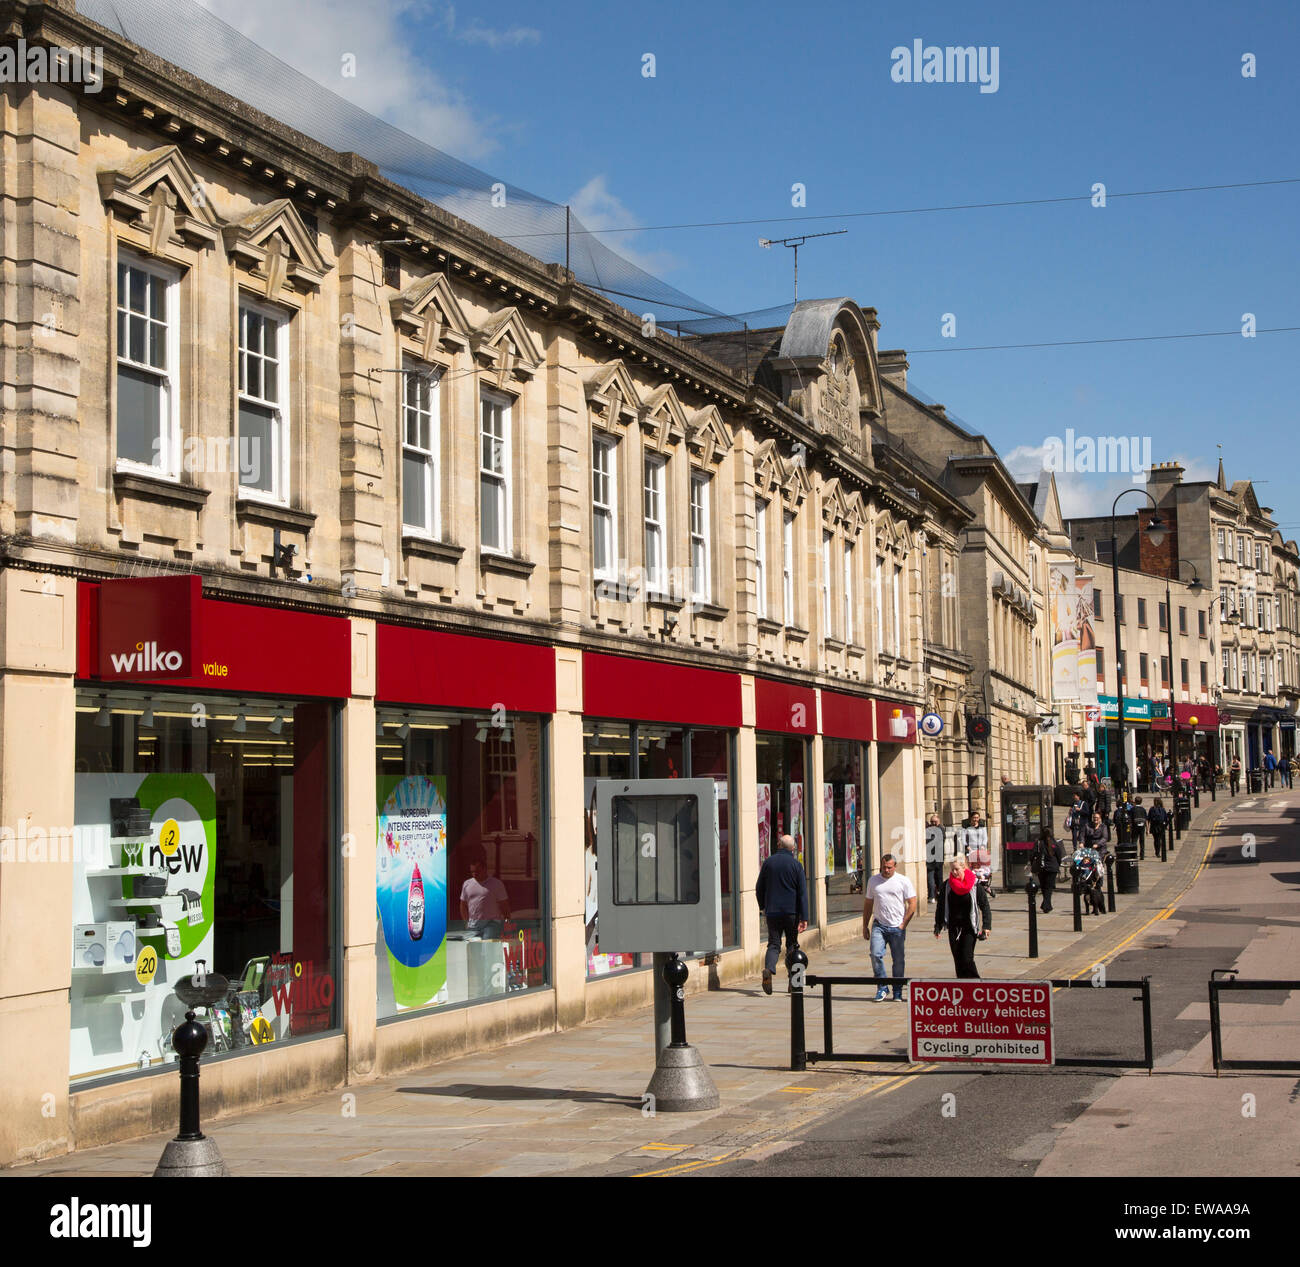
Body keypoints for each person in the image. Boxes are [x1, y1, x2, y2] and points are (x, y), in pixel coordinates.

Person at [756, 834, 808, 995]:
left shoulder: (768, 863)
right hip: (791, 912)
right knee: (792, 944)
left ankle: (768, 969)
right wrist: (804, 917)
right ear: (792, 848)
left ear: (779, 845)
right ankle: (794, 982)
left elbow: (759, 888)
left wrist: (763, 906)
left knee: (773, 944)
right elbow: (802, 893)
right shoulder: (796, 865)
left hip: (772, 911)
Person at [863, 853, 918, 1001]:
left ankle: (898, 991)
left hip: (897, 927)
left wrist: (903, 924)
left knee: (898, 960)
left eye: (889, 867)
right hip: (879, 925)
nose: (886, 870)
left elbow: (912, 903)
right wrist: (865, 925)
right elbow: (868, 904)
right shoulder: (873, 881)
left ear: (895, 867)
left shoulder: (903, 881)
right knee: (875, 954)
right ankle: (882, 987)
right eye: (883, 867)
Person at [933, 854, 992, 978]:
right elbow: (941, 906)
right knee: (958, 960)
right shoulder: (947, 886)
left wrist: (986, 926)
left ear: (964, 868)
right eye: (952, 869)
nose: (954, 872)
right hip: (954, 927)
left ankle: (976, 984)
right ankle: (962, 986)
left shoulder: (975, 886)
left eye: (957, 869)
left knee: (967, 958)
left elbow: (985, 906)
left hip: (969, 926)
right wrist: (938, 925)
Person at [459, 855, 511, 940]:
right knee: (473, 949)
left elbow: (504, 905)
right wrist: (466, 922)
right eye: (472, 872)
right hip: (473, 924)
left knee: (488, 947)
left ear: (485, 869)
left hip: (492, 924)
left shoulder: (496, 884)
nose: (474, 874)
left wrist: (507, 922)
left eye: (477, 871)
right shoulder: (467, 884)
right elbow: (463, 905)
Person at [1033, 826, 1065, 913]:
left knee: (1044, 887)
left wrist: (1032, 863)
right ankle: (1047, 905)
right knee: (1049, 887)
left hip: (1041, 867)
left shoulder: (1039, 842)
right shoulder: (1054, 843)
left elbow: (1033, 854)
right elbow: (1059, 855)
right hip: (1052, 868)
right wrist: (1057, 865)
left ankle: (1046, 905)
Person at [924, 813, 945, 904]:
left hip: (937, 858)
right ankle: (933, 895)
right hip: (932, 859)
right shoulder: (937, 829)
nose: (933, 823)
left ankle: (937, 895)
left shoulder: (939, 830)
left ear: (939, 822)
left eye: (935, 822)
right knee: (932, 878)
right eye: (931, 822)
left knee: (938, 878)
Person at [1129, 795, 1147, 860]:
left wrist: (1130, 827)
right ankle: (1142, 855)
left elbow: (1130, 818)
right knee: (1142, 841)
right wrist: (1147, 829)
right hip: (1142, 826)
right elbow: (1145, 819)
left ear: (1135, 802)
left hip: (1135, 826)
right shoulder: (1143, 809)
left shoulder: (1132, 809)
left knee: (1134, 841)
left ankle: (1134, 854)